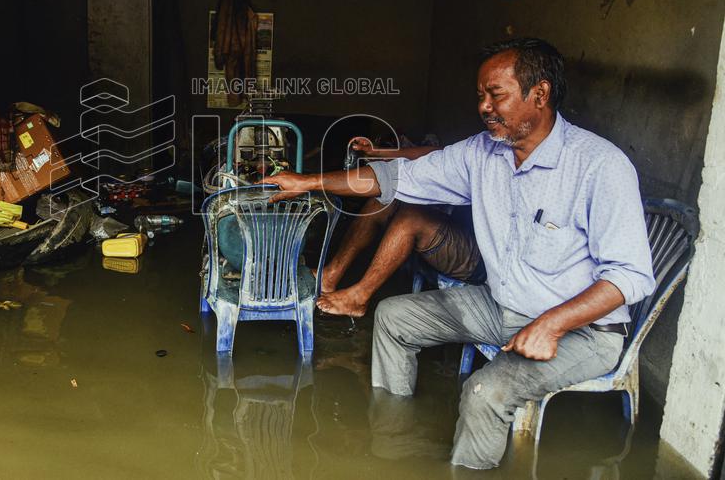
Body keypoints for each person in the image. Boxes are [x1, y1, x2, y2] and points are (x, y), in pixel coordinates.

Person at [263, 38, 654, 469]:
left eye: (496, 94)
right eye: (481, 96)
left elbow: (631, 275)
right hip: (504, 306)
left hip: (582, 331)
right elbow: (394, 178)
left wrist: (552, 323)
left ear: (539, 95)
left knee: (485, 393)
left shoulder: (600, 166)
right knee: (394, 318)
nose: (484, 106)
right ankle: (393, 441)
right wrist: (307, 182)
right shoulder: (482, 153)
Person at [315, 140, 487, 318]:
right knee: (382, 200)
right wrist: (379, 152)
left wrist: (309, 183)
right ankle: (330, 275)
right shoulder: (479, 145)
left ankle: (359, 298)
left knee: (412, 217)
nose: (487, 109)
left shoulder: (505, 154)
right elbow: (437, 156)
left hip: (483, 258)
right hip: (457, 229)